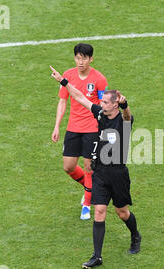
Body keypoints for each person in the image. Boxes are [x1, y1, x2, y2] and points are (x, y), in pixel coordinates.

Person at [50, 66, 142, 269]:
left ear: (115, 105)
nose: (100, 104)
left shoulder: (123, 121)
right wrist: (63, 82)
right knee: (99, 211)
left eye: (105, 102)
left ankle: (135, 235)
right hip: (100, 172)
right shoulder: (100, 114)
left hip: (118, 174)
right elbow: (81, 97)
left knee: (122, 212)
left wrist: (125, 104)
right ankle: (97, 256)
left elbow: (127, 115)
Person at [51, 43, 108, 220]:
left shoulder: (99, 79)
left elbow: (101, 106)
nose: (80, 61)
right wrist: (57, 125)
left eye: (84, 57)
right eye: (78, 57)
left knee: (89, 167)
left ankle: (86, 205)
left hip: (92, 128)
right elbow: (63, 101)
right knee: (68, 166)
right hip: (73, 127)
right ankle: (90, 189)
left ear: (91, 59)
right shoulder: (67, 76)